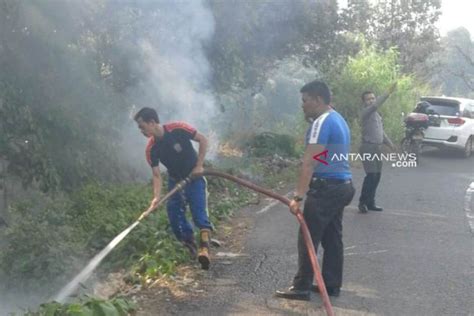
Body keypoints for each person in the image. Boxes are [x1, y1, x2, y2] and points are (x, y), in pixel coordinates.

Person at [275, 80, 355, 301]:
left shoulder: (322, 122)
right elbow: (325, 156)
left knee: (308, 236)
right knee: (332, 237)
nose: (302, 105)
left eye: (305, 100)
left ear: (318, 100)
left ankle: (301, 287)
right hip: (342, 186)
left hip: (326, 188)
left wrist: (297, 197)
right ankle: (330, 285)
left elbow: (309, 162)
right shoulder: (338, 119)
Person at [134, 107, 213, 270]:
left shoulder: (178, 129)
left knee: (199, 215)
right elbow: (157, 176)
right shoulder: (151, 149)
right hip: (176, 181)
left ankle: (204, 249)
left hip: (194, 177)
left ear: (152, 122)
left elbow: (203, 139)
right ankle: (191, 245)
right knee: (174, 216)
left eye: (142, 127)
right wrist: (156, 198)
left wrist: (199, 166)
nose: (141, 131)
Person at [358, 83, 397, 213]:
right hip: (367, 147)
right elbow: (375, 106)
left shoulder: (377, 115)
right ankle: (362, 203)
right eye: (368, 99)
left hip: (377, 148)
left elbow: (381, 132)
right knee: (371, 175)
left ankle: (370, 202)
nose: (371, 101)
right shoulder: (365, 113)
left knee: (377, 176)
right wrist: (387, 93)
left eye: (373, 98)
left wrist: (390, 144)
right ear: (363, 102)